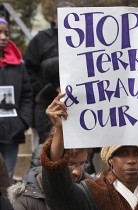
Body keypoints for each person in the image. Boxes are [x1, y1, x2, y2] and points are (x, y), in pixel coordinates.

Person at [24, 1, 74, 144]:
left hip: (77, 102)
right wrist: (47, 88)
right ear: (54, 18)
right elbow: (29, 70)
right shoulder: (40, 40)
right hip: (46, 103)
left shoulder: (87, 40)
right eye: (63, 16)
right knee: (45, 146)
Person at [8, 145, 94, 210]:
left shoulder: (94, 191)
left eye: (82, 163)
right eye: (70, 164)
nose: (77, 172)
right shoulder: (26, 201)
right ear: (53, 163)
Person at [0, 17, 33, 183]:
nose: (4, 37)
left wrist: (23, 121)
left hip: (11, 130)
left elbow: (27, 95)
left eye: (6, 33)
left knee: (7, 175)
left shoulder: (18, 65)